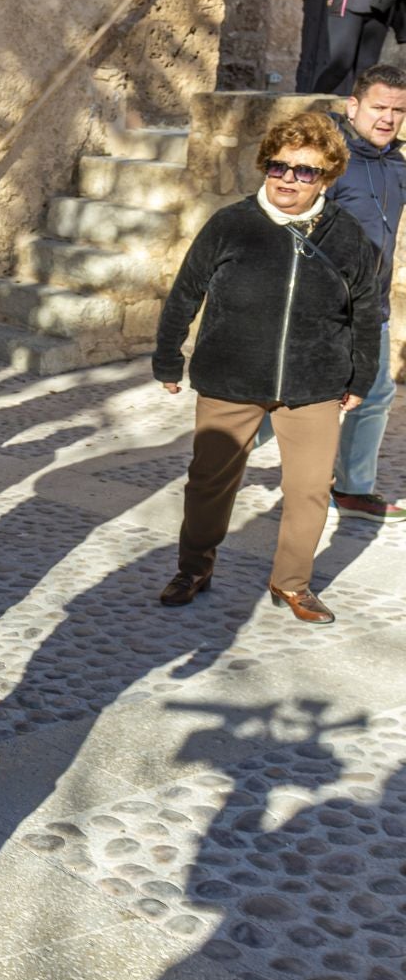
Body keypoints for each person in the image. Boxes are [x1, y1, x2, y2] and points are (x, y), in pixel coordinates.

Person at [154, 109, 381, 624]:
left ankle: (292, 583)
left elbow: (367, 309)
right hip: (230, 378)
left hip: (314, 383)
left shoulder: (346, 236)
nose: (288, 179)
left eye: (305, 171)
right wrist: (168, 357)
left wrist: (360, 376)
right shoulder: (230, 224)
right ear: (265, 167)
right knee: (209, 481)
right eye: (279, 166)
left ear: (326, 176)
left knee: (308, 490)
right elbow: (186, 292)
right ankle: (194, 569)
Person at [326, 65, 406, 522]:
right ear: (353, 106)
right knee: (294, 400)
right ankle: (221, 463)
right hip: (324, 311)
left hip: (371, 309)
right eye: (378, 107)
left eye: (397, 111)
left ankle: (354, 489)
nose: (387, 119)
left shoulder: (395, 164)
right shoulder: (328, 160)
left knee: (375, 394)